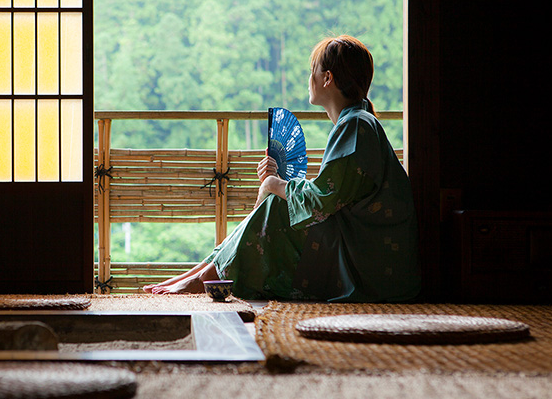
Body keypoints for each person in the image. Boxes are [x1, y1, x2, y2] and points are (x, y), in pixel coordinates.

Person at [143, 35, 421, 302]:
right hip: (365, 251)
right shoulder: (357, 122)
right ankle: (200, 273)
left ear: (327, 78)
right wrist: (276, 183)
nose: (309, 78)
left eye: (314, 70)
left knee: (277, 204)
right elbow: (330, 194)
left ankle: (205, 277)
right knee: (278, 201)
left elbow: (322, 200)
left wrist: (274, 184)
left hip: (369, 266)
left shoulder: (357, 124)